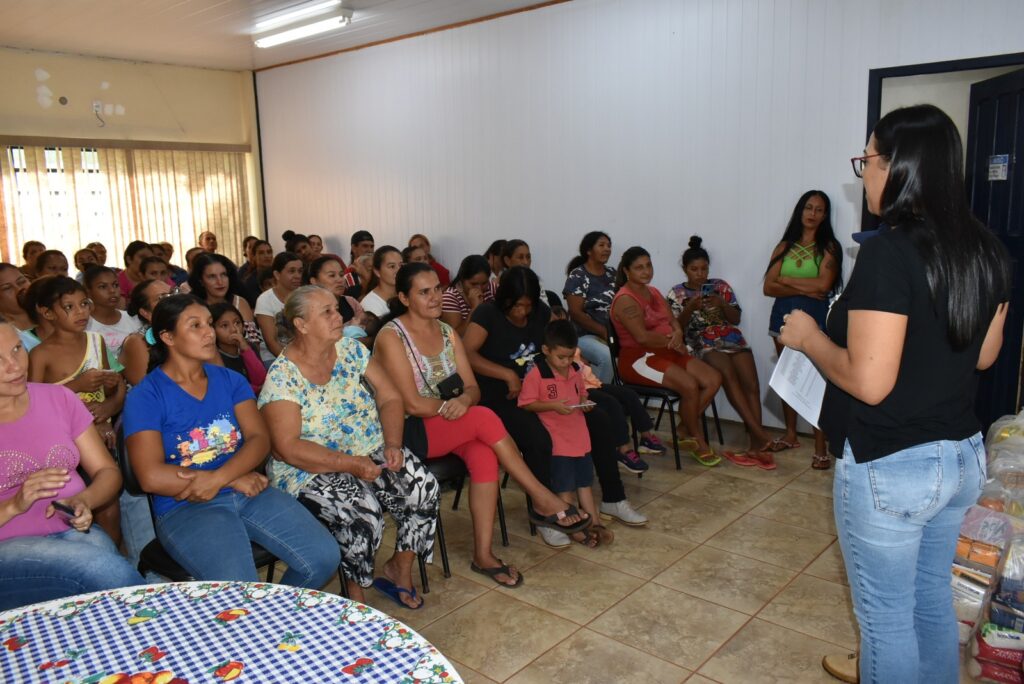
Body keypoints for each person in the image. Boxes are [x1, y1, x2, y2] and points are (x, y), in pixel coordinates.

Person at [778, 105, 1010, 684]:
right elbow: (983, 356)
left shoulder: (889, 250)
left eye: (870, 160)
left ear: (903, 166)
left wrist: (809, 340)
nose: (865, 173)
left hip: (894, 462)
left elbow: (870, 382)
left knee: (885, 621)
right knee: (930, 601)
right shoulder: (987, 249)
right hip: (960, 457)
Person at [375, 264, 591, 584]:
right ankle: (542, 497)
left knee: (484, 455)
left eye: (437, 288)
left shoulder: (448, 333)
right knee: (486, 417)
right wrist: (460, 405)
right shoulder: (392, 336)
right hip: (407, 430)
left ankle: (483, 555)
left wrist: (464, 401)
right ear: (404, 298)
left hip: (450, 422)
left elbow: (472, 387)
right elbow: (412, 404)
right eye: (424, 292)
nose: (435, 297)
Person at [124, 294, 339, 586]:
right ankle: (251, 621)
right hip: (185, 505)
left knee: (323, 556)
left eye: (209, 324)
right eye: (195, 326)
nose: (209, 332)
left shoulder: (230, 381)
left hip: (247, 490)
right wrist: (228, 479)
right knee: (238, 587)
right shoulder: (146, 396)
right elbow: (150, 475)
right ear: (168, 337)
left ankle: (268, 620)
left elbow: (259, 439)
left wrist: (223, 478)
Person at [258, 286, 439, 609]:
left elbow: (390, 396)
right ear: (301, 325)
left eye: (336, 308)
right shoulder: (283, 377)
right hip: (309, 469)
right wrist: (351, 464)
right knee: (363, 513)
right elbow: (287, 448)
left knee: (422, 489)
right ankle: (354, 596)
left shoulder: (349, 349)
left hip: (369, 448)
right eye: (325, 312)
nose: (338, 316)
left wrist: (393, 444)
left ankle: (400, 567)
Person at [464, 266, 647, 547]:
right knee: (537, 437)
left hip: (550, 390)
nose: (522, 312)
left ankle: (613, 498)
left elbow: (561, 340)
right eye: (516, 305)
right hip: (504, 397)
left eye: (528, 305)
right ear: (504, 300)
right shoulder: (487, 314)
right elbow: (465, 354)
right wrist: (506, 374)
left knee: (599, 418)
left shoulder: (540, 312)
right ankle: (545, 511)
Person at [0, 319, 144, 610]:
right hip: (8, 543)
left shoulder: (57, 398)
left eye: (17, 349)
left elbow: (106, 472)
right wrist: (15, 504)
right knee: (103, 568)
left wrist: (83, 500)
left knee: (101, 553)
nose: (15, 366)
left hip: (68, 531)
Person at [667, 236, 778, 468]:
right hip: (701, 341)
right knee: (728, 376)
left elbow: (736, 318)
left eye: (704, 268)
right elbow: (676, 327)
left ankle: (755, 444)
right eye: (694, 269)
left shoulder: (720, 286)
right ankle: (760, 436)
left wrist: (722, 304)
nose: (700, 274)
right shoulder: (676, 293)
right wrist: (689, 308)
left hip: (731, 337)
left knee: (752, 384)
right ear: (685, 270)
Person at [610, 247, 723, 466]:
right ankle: (696, 439)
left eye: (648, 265)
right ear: (626, 271)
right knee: (689, 386)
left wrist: (678, 335)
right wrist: (674, 342)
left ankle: (683, 427)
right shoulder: (625, 299)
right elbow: (642, 337)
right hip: (638, 359)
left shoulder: (652, 291)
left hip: (668, 350)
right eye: (639, 267)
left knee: (713, 379)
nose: (646, 271)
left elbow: (673, 321)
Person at [763, 189, 842, 469]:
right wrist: (803, 288)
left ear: (825, 215)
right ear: (800, 210)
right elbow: (767, 286)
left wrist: (786, 280)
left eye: (819, 210)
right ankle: (790, 434)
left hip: (815, 322)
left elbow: (823, 286)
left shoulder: (829, 247)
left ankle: (821, 446)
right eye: (808, 207)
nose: (812, 214)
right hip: (781, 320)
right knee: (788, 375)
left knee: (816, 381)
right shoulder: (784, 246)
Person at [518, 320, 613, 548]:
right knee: (565, 488)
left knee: (585, 483)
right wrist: (552, 406)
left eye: (571, 356)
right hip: (559, 443)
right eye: (561, 357)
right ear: (546, 350)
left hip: (580, 438)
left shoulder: (576, 370)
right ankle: (572, 527)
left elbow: (581, 394)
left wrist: (584, 402)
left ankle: (594, 524)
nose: (567, 362)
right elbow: (526, 404)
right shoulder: (537, 375)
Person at [28, 276, 124, 451]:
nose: (80, 312)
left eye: (84, 304)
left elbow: (109, 390)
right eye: (69, 307)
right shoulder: (41, 354)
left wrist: (109, 392)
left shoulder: (96, 341)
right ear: (47, 313)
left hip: (102, 432)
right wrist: (77, 385)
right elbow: (33, 404)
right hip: (63, 437)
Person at [563, 231, 616, 385]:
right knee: (606, 357)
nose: (607, 249)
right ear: (588, 250)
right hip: (584, 336)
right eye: (601, 245)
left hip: (612, 334)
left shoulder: (613, 273)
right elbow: (575, 313)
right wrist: (603, 331)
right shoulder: (578, 275)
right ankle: (596, 396)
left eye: (608, 245)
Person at [188, 253, 261, 354]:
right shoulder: (192, 306)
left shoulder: (240, 303)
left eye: (223, 275)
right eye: (212, 277)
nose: (220, 282)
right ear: (201, 281)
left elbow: (254, 344)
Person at [121, 279, 173, 386]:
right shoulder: (137, 341)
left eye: (173, 293)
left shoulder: (189, 331)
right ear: (146, 313)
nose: (173, 300)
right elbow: (149, 390)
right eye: (162, 297)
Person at [254, 252, 303, 364]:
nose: (297, 275)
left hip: (304, 355)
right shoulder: (265, 300)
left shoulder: (305, 296)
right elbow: (271, 342)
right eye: (291, 271)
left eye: (300, 271)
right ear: (277, 274)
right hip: (274, 358)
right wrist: (293, 363)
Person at [210, 301, 267, 395]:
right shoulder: (214, 356)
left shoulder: (249, 346)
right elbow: (230, 388)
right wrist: (257, 389)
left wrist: (246, 350)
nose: (233, 329)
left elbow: (260, 379)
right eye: (224, 325)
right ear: (212, 330)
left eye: (237, 323)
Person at [85, 266, 141, 360]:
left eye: (115, 285)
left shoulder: (133, 319)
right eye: (103, 286)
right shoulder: (84, 325)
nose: (112, 291)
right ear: (88, 292)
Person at [306, 256, 368, 331]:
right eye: (332, 275)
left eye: (341, 275)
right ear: (314, 281)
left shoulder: (351, 302)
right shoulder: (308, 310)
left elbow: (366, 330)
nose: (339, 280)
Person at [441, 255, 494, 336]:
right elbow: (456, 335)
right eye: (473, 284)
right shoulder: (450, 297)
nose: (479, 288)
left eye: (484, 283)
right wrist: (475, 308)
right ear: (462, 280)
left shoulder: (491, 288)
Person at [0, 264, 36, 350]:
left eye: (21, 282)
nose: (19, 289)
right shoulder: (4, 334)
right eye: (7, 288)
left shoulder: (50, 315)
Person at [360, 246, 402, 317]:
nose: (399, 270)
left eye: (401, 265)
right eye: (392, 266)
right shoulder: (370, 304)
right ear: (377, 272)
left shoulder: (405, 294)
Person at [241, 239, 275, 307]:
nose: (266, 256)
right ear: (253, 257)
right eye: (261, 253)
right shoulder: (249, 282)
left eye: (269, 252)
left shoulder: (279, 276)